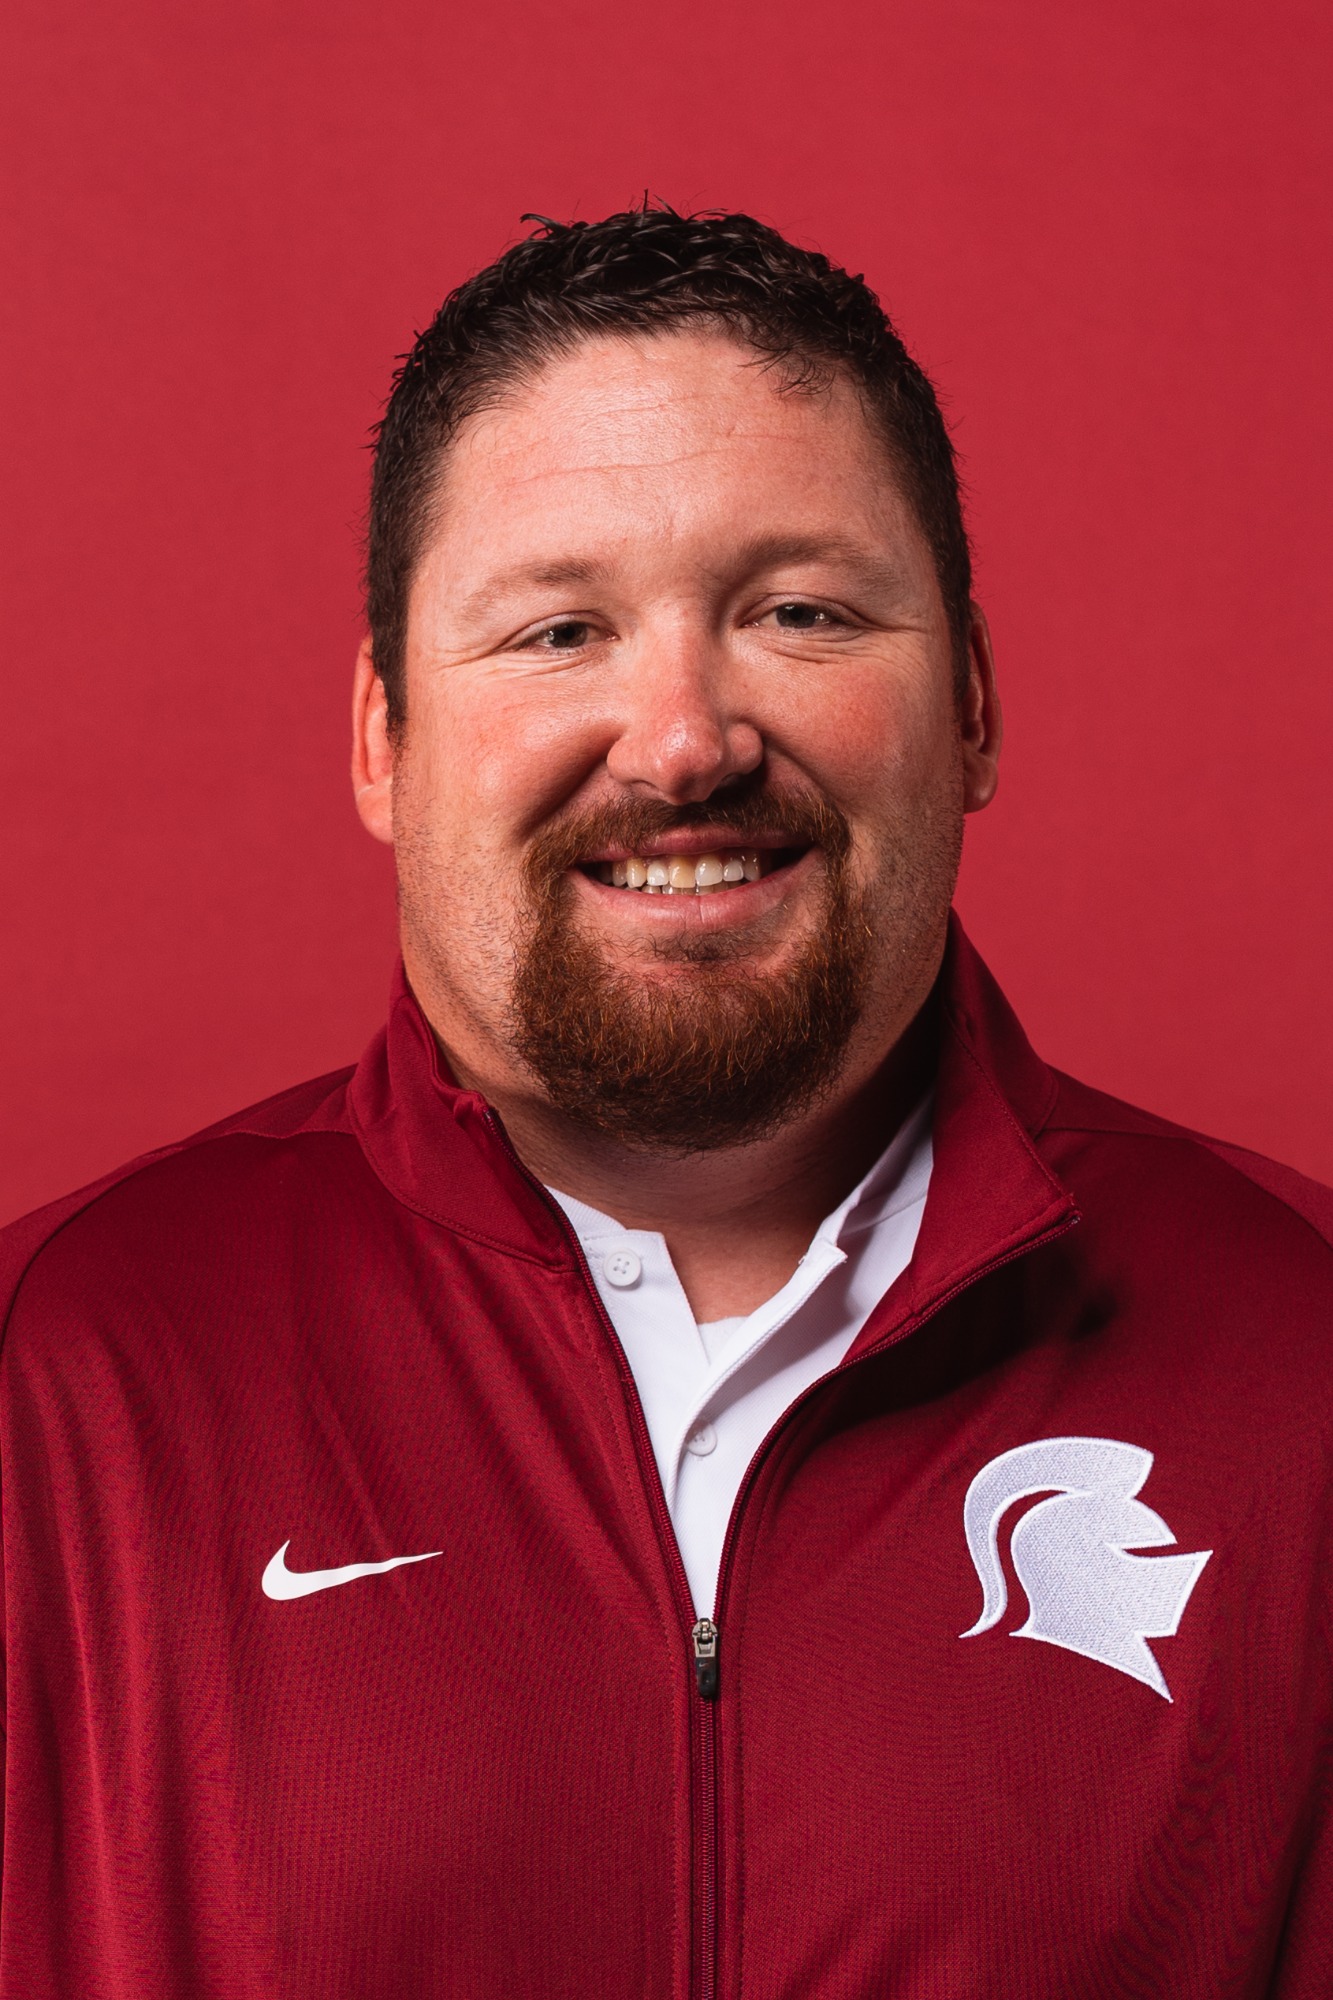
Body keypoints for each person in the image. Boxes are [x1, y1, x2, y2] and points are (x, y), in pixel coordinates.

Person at [2, 205, 1330, 2000]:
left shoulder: (1303, 1361)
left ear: (976, 709)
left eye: (798, 611)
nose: (684, 735)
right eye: (558, 630)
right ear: (385, 739)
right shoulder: (50, 1381)